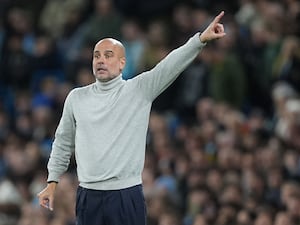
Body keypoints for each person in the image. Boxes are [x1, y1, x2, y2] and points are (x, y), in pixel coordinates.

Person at [37, 11, 226, 225]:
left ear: (122, 63)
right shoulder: (76, 98)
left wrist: (199, 40)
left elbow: (169, 66)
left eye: (108, 55)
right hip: (88, 196)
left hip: (125, 195)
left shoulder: (138, 90)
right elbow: (62, 142)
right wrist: (52, 181)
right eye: (97, 55)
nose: (100, 60)